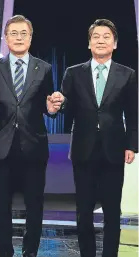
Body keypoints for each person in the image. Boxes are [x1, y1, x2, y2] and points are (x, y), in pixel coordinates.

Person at [0, 15, 61, 257]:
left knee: (34, 206)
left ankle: (30, 252)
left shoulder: (44, 68)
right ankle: (3, 251)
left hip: (34, 146)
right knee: (1, 207)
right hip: (2, 147)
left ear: (30, 37)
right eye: (13, 33)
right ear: (6, 38)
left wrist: (53, 109)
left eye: (23, 33)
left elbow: (49, 106)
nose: (18, 37)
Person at [58, 19, 138, 257]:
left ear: (114, 44)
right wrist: (58, 103)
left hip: (114, 149)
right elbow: (65, 107)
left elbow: (134, 114)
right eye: (96, 36)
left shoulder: (128, 75)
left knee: (113, 211)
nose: (101, 40)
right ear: (89, 43)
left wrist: (132, 145)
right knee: (83, 211)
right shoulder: (73, 73)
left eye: (106, 37)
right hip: (83, 149)